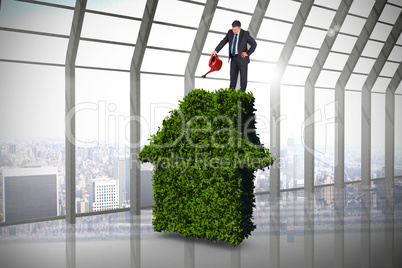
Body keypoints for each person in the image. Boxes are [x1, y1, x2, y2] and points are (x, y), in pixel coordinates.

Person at [212, 20, 257, 92]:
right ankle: (231, 93)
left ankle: (242, 94)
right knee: (232, 77)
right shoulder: (230, 32)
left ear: (239, 28)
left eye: (235, 30)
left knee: (243, 78)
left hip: (242, 59)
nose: (233, 31)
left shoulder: (245, 34)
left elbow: (254, 44)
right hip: (233, 59)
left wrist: (247, 53)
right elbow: (223, 41)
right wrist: (216, 51)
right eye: (232, 29)